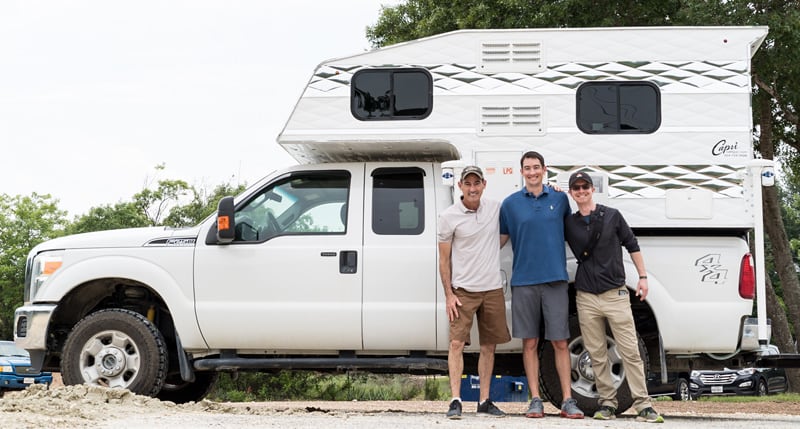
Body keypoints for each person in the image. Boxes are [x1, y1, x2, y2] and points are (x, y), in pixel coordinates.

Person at [563, 170, 665, 424]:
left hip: (616, 294)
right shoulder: (569, 223)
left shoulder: (612, 216)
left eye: (585, 186)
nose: (581, 191)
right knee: (597, 353)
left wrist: (642, 277)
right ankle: (607, 403)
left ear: (592, 189)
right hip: (586, 296)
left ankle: (644, 404)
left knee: (630, 350)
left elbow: (632, 245)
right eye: (576, 188)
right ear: (571, 193)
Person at [499, 151, 584, 419]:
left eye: (536, 167)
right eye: (527, 168)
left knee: (560, 341)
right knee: (530, 343)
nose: (532, 172)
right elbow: (498, 241)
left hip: (555, 280)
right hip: (524, 280)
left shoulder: (560, 199)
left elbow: (573, 231)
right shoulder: (510, 204)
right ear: (521, 172)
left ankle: (568, 401)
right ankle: (535, 399)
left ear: (544, 169)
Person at [437, 165, 512, 419]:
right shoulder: (449, 216)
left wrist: (552, 187)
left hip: (491, 289)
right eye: (467, 183)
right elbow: (443, 259)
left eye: (476, 183)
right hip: (463, 291)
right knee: (456, 343)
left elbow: (516, 215)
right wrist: (449, 294)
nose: (472, 188)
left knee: (489, 346)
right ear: (460, 186)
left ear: (483, 185)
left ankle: (484, 401)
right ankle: (455, 400)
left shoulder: (495, 208)